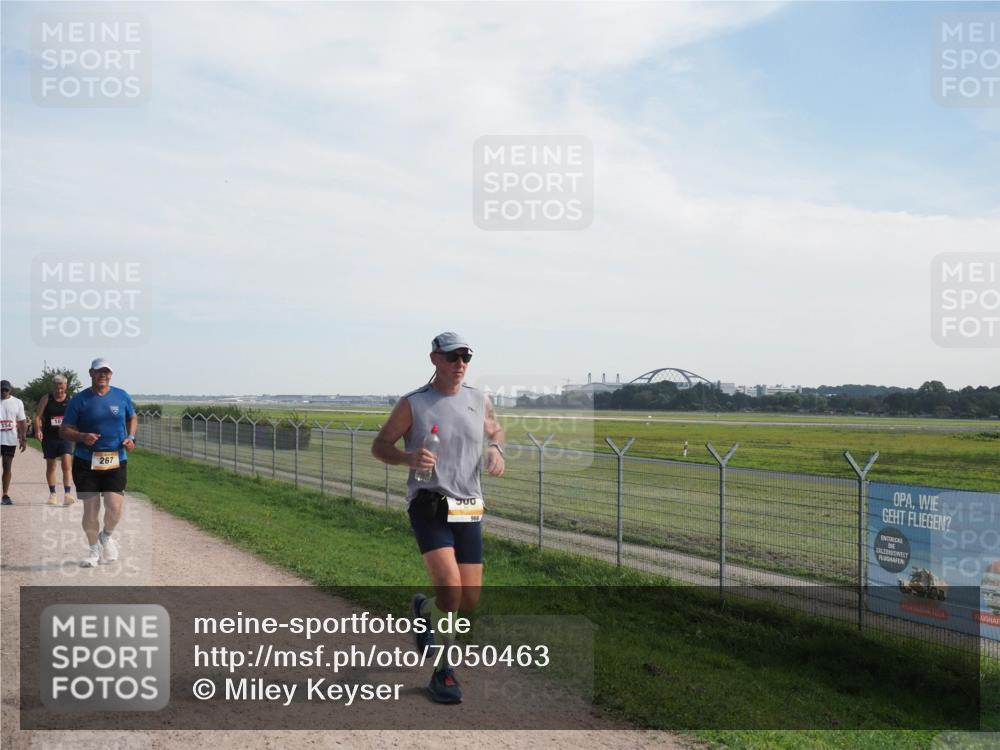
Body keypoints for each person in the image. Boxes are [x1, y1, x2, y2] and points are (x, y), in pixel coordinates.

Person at [372, 332, 505, 704]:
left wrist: (495, 448)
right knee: (451, 590)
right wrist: (407, 458)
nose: (460, 363)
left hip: (468, 504)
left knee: (470, 599)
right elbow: (380, 445)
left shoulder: (479, 400)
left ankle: (422, 609)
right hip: (429, 502)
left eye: (466, 357)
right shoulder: (414, 403)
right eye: (452, 357)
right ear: (435, 359)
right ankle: (444, 671)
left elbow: (495, 430)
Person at [60, 359, 137, 568]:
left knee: (114, 508)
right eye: (98, 371)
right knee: (91, 510)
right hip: (86, 461)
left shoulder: (121, 396)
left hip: (116, 459)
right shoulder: (79, 399)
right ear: (91, 373)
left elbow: (133, 417)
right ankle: (93, 550)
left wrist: (131, 437)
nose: (102, 374)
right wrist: (82, 436)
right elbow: (64, 430)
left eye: (106, 371)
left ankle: (106, 535)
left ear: (110, 375)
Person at [34, 374, 76, 506]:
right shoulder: (47, 399)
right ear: (53, 387)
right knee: (51, 466)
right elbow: (37, 417)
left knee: (66, 464)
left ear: (66, 387)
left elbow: (76, 418)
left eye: (62, 388)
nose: (59, 391)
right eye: (57, 388)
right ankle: (53, 494)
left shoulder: (70, 400)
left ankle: (68, 494)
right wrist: (37, 431)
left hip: (65, 437)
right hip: (50, 437)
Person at [0, 379, 28, 505]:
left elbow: (22, 421)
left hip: (9, 439)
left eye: (6, 389)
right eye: (1, 390)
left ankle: (5, 495)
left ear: (10, 390)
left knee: (7, 466)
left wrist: (23, 439)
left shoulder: (17, 402)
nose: (4, 392)